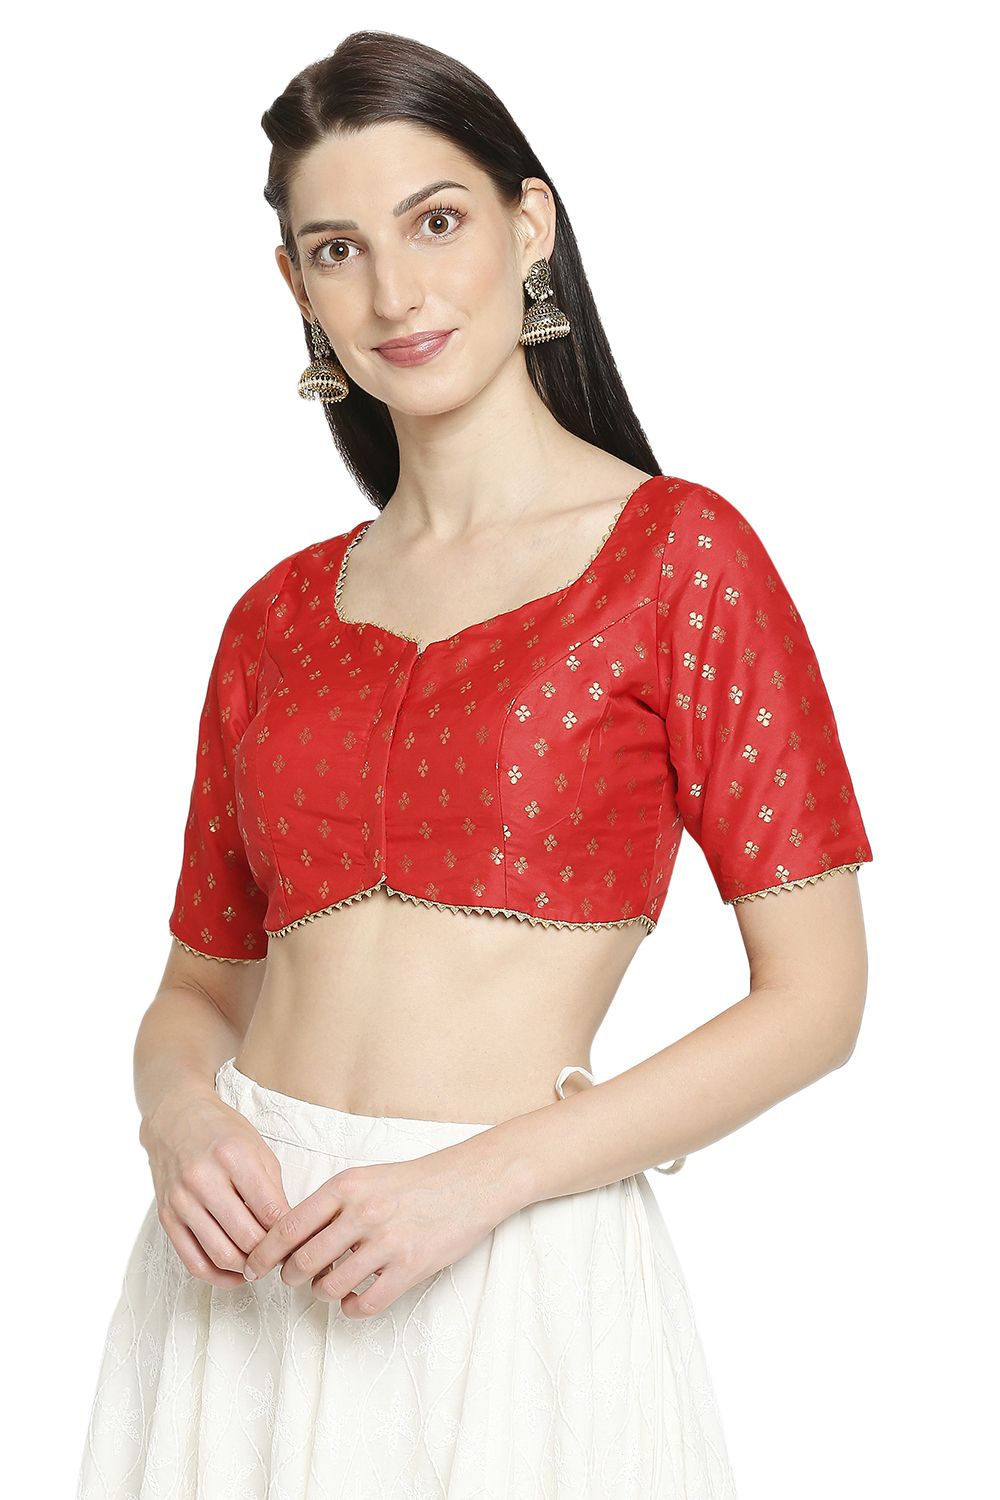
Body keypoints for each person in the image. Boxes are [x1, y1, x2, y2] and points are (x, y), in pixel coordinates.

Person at [76, 29, 873, 1500]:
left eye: (436, 221)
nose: (395, 293)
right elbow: (196, 992)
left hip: (512, 1270)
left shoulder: (678, 560)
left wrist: (480, 1181)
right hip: (235, 1289)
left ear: (530, 223)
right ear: (296, 287)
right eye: (338, 249)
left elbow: (816, 1002)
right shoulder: (275, 619)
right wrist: (179, 1118)